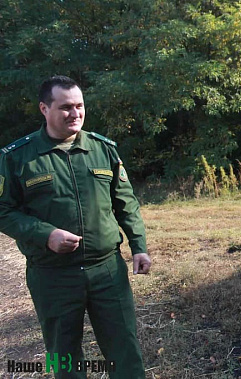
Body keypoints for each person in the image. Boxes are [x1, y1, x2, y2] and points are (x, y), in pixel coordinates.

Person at [0, 75, 151, 378]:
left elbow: (125, 202)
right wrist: (46, 234)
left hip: (107, 271)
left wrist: (139, 247)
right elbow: (4, 211)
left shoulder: (102, 148)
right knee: (63, 354)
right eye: (66, 107)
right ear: (44, 108)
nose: (76, 113)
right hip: (52, 275)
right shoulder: (17, 157)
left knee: (125, 349)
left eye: (80, 106)